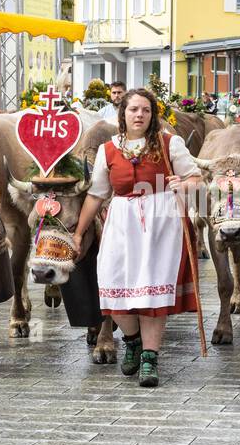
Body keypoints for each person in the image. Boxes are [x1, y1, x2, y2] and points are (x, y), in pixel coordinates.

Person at [72, 88, 202, 387]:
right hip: (121, 224)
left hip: (160, 225)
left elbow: (196, 179)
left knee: (151, 297)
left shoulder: (170, 143)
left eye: (145, 110)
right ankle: (131, 341)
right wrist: (79, 232)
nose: (139, 115)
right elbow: (96, 195)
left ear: (152, 115)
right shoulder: (108, 149)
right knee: (113, 289)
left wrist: (184, 185)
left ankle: (149, 358)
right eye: (133, 110)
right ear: (123, 113)